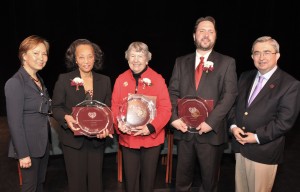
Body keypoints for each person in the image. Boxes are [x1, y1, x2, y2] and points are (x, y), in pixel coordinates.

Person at [168, 16, 238, 192]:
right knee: (182, 182)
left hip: (211, 132)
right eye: (201, 31)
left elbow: (229, 95)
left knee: (209, 183)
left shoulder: (227, 62)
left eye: (210, 31)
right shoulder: (180, 62)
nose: (206, 35)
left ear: (215, 36)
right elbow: (172, 92)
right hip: (184, 131)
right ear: (194, 36)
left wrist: (210, 122)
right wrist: (174, 118)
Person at [228, 36, 300, 192]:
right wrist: (233, 127)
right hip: (240, 148)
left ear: (277, 55)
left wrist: (257, 137)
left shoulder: (290, 84)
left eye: (267, 52)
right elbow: (233, 106)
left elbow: (285, 122)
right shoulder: (245, 77)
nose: (261, 57)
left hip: (264, 152)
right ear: (252, 56)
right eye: (257, 53)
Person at [51, 39, 112, 192]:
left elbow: (108, 110)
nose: (86, 61)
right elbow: (56, 107)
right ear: (75, 60)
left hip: (96, 141)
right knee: (76, 184)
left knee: (95, 184)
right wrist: (66, 118)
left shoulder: (105, 81)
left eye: (90, 56)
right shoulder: (64, 80)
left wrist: (106, 128)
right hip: (73, 141)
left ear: (95, 58)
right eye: (82, 57)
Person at [111, 41, 172, 192]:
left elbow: (166, 109)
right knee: (130, 184)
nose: (136, 60)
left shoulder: (158, 79)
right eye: (132, 56)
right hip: (128, 139)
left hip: (151, 139)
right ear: (127, 58)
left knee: (148, 183)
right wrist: (119, 123)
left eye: (140, 56)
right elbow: (114, 107)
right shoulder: (121, 79)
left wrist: (151, 127)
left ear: (147, 59)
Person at [5, 35, 51, 191]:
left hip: (42, 144)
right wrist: (22, 153)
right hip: (28, 148)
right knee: (30, 187)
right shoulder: (15, 82)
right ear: (24, 56)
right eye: (36, 53)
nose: (42, 58)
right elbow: (14, 122)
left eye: (44, 53)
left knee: (40, 184)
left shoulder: (38, 79)